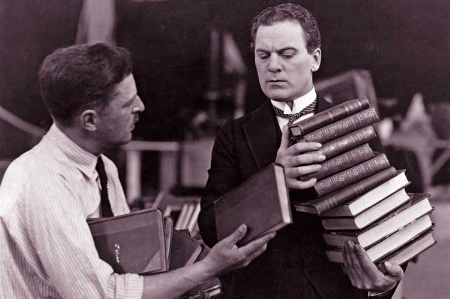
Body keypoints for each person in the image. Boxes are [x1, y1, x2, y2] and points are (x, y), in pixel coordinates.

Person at [0, 43, 275, 299]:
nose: (140, 107)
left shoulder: (103, 168)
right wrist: (208, 268)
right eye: (127, 103)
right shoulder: (41, 182)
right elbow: (102, 295)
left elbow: (127, 269)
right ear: (90, 120)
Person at [198, 3, 404, 299]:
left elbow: (390, 220)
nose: (273, 66)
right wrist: (274, 181)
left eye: (287, 54)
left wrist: (385, 283)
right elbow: (210, 228)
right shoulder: (234, 135)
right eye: (263, 55)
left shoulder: (354, 124)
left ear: (315, 59)